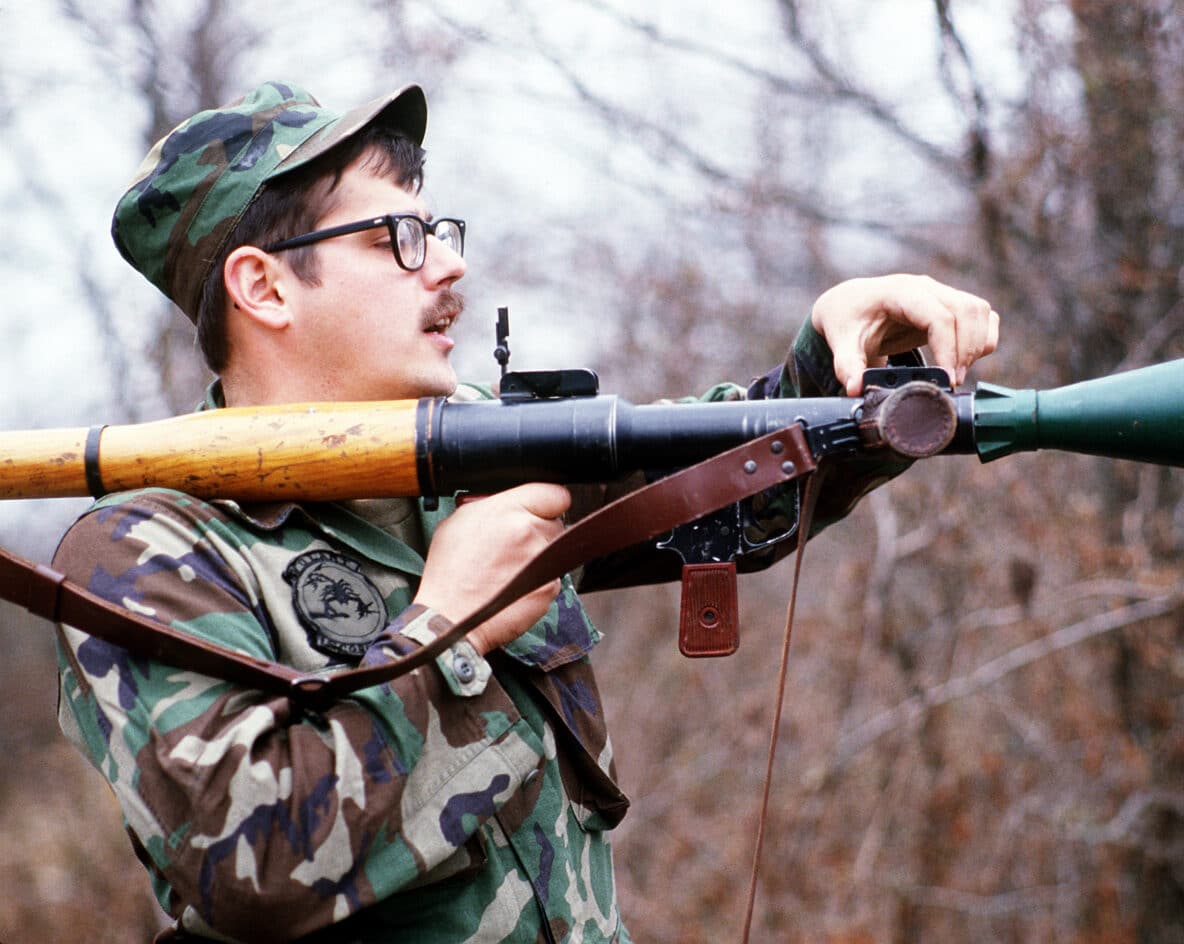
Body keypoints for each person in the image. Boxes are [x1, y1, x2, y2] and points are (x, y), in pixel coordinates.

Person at [53, 81, 998, 942]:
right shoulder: (144, 553)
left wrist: (846, 366)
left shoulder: (480, 455)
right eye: (400, 240)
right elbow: (245, 866)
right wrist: (444, 630)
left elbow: (726, 487)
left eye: (443, 231)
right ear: (263, 286)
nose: (451, 268)